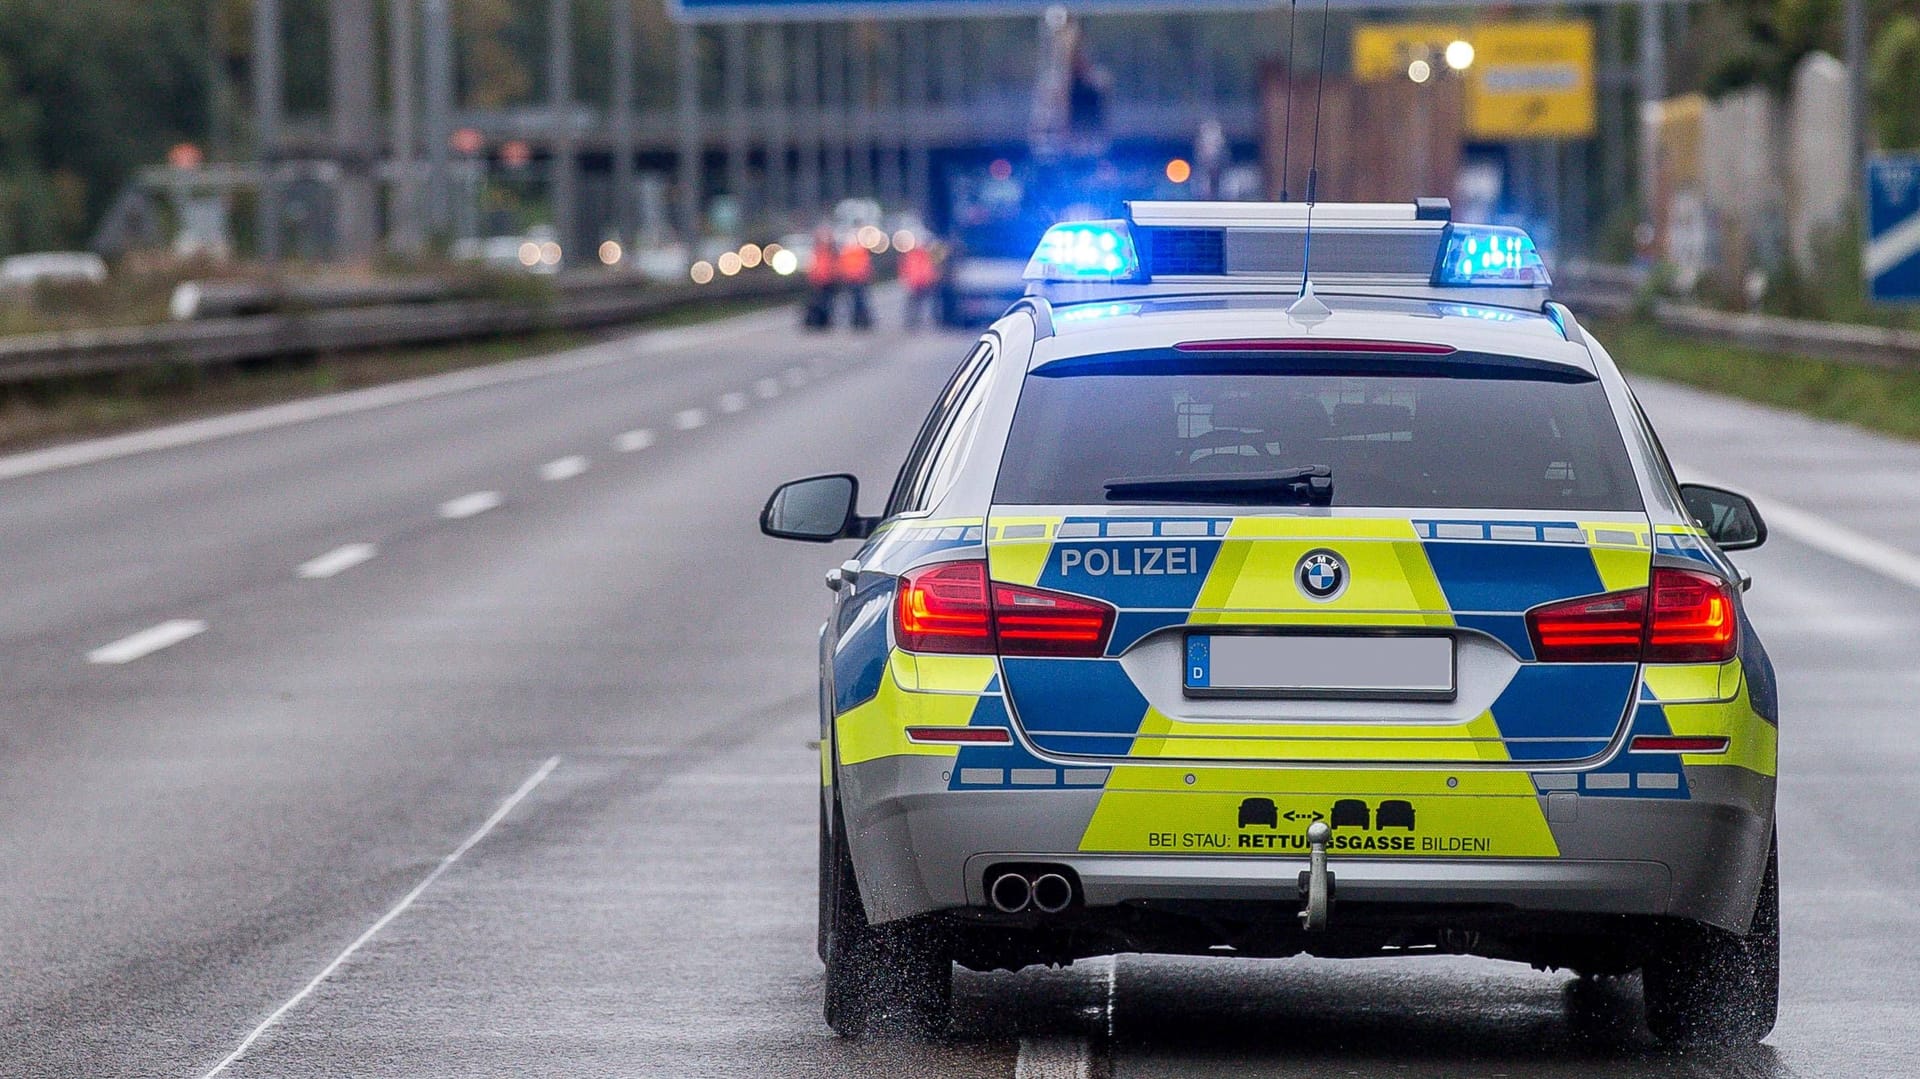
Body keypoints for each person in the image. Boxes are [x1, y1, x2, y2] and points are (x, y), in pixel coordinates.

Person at [900, 238, 942, 329]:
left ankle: (913, 322)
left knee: (916, 304)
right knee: (917, 304)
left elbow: (906, 270)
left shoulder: (914, 255)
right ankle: (913, 321)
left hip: (919, 283)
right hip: (919, 283)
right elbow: (907, 270)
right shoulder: (922, 255)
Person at [804, 226, 838, 330]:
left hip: (828, 280)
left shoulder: (831, 251)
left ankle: (826, 320)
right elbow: (812, 266)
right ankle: (822, 321)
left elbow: (834, 265)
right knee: (822, 302)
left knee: (827, 302)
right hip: (819, 281)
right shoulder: (817, 251)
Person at [836, 236, 874, 330]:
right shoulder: (851, 253)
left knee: (859, 302)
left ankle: (860, 320)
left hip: (857, 280)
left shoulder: (855, 253)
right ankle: (859, 320)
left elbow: (865, 266)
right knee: (857, 302)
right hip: (853, 280)